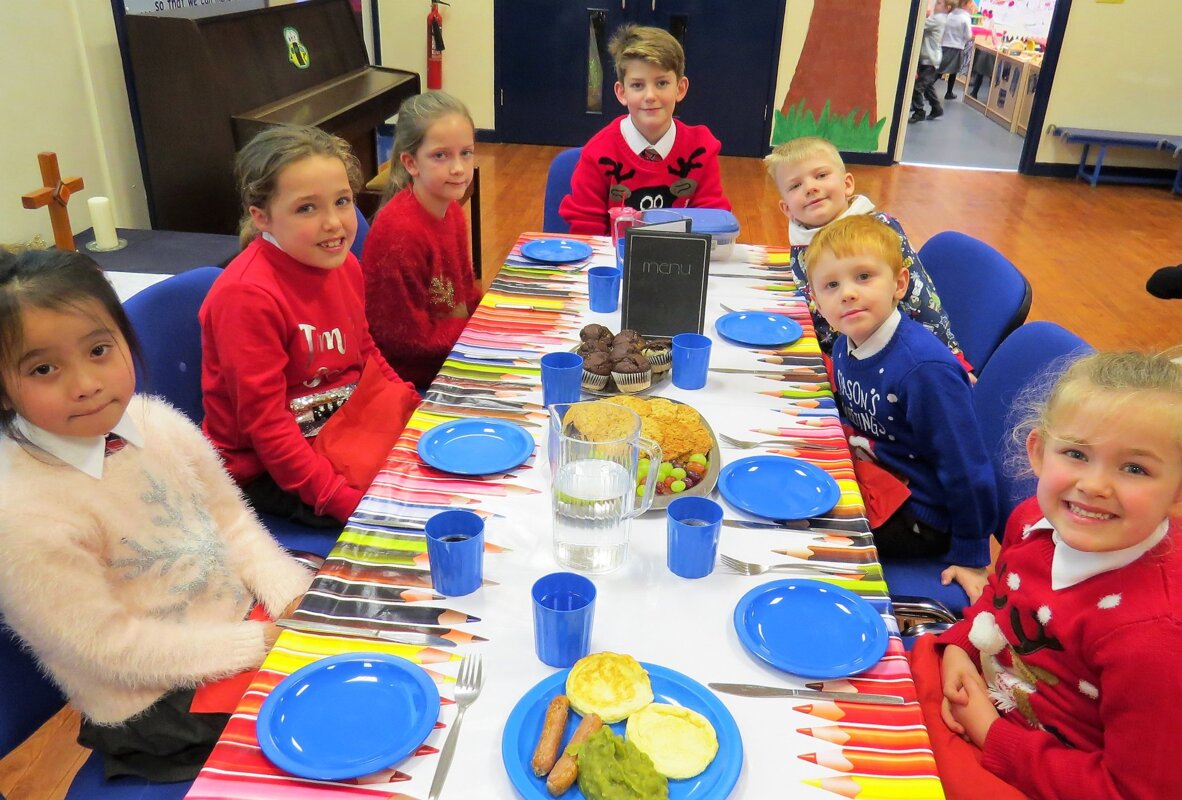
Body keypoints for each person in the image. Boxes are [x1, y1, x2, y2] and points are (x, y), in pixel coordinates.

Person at [0, 249, 314, 782]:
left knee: (356, 619)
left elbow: (232, 524)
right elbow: (106, 648)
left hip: (238, 626)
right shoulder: (22, 511)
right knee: (317, 728)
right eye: (44, 368)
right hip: (155, 697)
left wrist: (289, 595)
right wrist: (252, 646)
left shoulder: (154, 421)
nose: (85, 383)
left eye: (99, 349)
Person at [911, 349, 1182, 800]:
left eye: (1135, 468)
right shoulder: (1035, 518)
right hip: (981, 695)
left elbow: (1131, 791)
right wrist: (961, 646)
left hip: (1036, 771)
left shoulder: (1156, 641)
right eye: (1076, 453)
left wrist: (991, 734)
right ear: (1037, 452)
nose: (1095, 485)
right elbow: (1001, 596)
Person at [201, 125, 418, 527]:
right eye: (307, 208)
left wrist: (412, 408)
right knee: (409, 520)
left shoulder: (344, 265)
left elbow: (365, 354)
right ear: (261, 217)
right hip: (271, 471)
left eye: (342, 201)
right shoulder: (247, 297)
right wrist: (344, 502)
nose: (334, 223)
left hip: (345, 429)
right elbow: (268, 430)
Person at [804, 216, 997, 602]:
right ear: (816, 301)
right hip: (878, 475)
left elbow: (966, 467)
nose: (848, 294)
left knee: (803, 525)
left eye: (863, 277)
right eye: (832, 285)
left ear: (900, 284)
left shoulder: (923, 371)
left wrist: (973, 555)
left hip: (920, 513)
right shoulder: (847, 341)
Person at [765, 136, 970, 370]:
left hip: (903, 362)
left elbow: (919, 298)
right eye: (795, 185)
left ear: (847, 184)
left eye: (821, 176)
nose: (811, 188)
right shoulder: (801, 247)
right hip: (841, 363)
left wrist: (949, 358)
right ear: (786, 208)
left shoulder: (880, 230)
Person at [559, 24, 732, 236]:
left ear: (680, 88)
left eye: (661, 83)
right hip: (616, 263)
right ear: (621, 92)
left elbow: (713, 222)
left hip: (680, 262)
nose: (650, 96)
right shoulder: (598, 153)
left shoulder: (701, 148)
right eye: (637, 85)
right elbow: (587, 231)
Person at [362, 91, 483, 391]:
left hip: (450, 355)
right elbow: (404, 341)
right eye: (440, 155)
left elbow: (463, 292)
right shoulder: (400, 232)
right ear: (411, 163)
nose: (458, 168)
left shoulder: (451, 209)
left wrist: (491, 317)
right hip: (413, 380)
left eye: (465, 153)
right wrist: (477, 332)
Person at [910, 1, 949, 123]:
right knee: (928, 87)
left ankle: (919, 111)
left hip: (930, 60)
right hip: (929, 58)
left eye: (939, 3)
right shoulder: (938, 18)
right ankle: (937, 108)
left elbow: (919, 25)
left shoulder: (938, 19)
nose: (935, 5)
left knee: (917, 88)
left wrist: (923, 14)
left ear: (947, 7)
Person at [939, 0, 973, 100]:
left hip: (944, 45)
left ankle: (947, 92)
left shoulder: (950, 14)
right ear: (964, 4)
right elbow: (968, 36)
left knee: (940, 70)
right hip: (957, 48)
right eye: (970, 3)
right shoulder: (965, 18)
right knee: (952, 71)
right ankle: (947, 92)